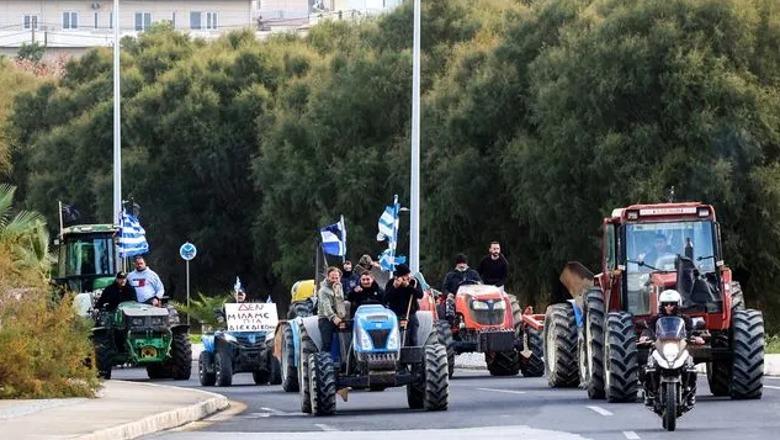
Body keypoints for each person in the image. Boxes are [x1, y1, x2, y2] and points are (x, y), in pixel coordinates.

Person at [639, 289, 703, 407]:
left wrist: (696, 337)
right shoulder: (655, 319)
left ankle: (690, 393)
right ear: (661, 305)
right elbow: (648, 330)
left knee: (690, 368)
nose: (669, 307)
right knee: (648, 368)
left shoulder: (685, 319)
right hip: (660, 346)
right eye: (666, 304)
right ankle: (649, 393)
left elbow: (691, 331)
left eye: (672, 304)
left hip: (679, 347)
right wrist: (644, 337)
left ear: (677, 304)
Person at [384, 264, 423, 346]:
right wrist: (394, 287)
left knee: (413, 336)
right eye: (405, 276)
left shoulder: (413, 282)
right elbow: (385, 299)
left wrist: (408, 287)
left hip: (410, 312)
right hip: (396, 313)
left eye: (408, 274)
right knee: (396, 336)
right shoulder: (391, 283)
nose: (408, 277)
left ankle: (413, 352)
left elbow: (420, 295)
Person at [317, 266, 349, 352]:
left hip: (339, 316)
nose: (335, 280)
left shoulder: (339, 287)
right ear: (327, 277)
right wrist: (333, 317)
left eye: (337, 278)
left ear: (340, 278)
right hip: (326, 318)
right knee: (327, 343)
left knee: (348, 338)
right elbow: (326, 306)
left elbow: (341, 301)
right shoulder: (323, 290)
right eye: (332, 277)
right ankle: (325, 359)